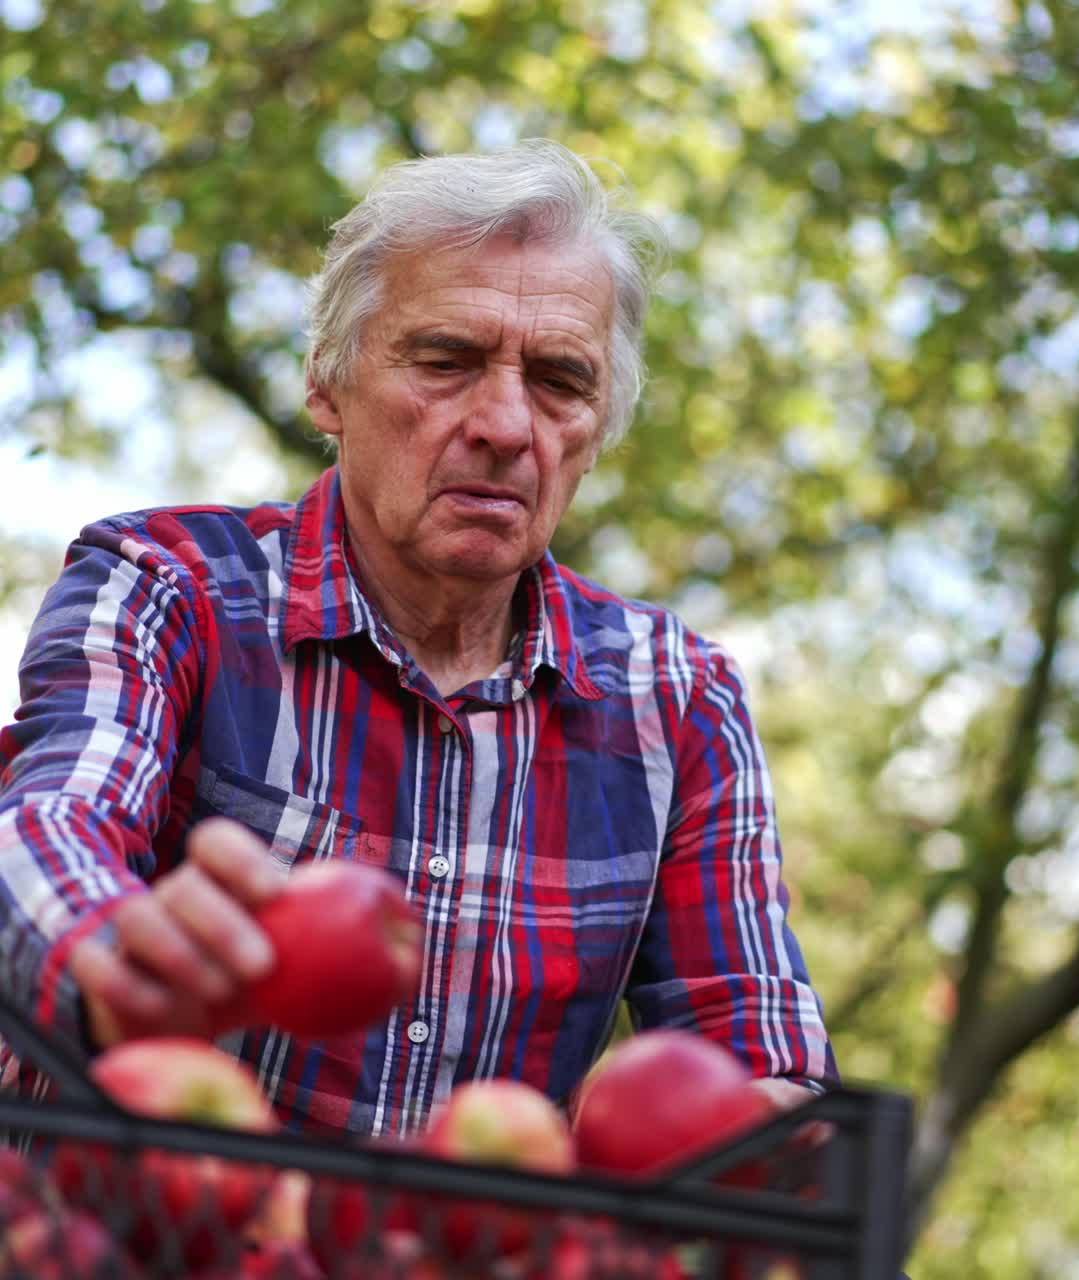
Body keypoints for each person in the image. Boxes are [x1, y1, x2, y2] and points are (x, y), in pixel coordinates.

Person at [0, 140, 837, 1138]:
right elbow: (48, 826)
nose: (503, 422)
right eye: (445, 360)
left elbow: (757, 1047)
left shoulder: (677, 697)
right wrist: (112, 949)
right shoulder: (169, 584)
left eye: (560, 380)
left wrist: (754, 1129)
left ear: (597, 426)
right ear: (327, 384)